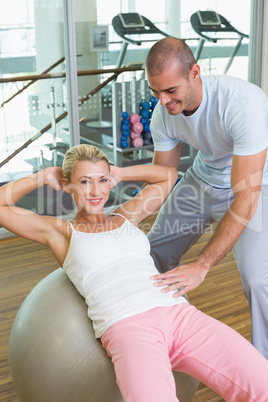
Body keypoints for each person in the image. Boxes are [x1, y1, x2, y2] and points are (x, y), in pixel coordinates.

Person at [1, 144, 268, 402]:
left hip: (178, 313)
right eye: (84, 182)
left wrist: (120, 173)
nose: (96, 191)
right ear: (67, 184)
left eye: (102, 180)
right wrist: (41, 177)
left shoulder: (125, 216)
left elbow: (167, 177)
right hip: (128, 328)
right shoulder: (61, 232)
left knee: (261, 383)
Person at [145, 37, 268, 359]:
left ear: (195, 73)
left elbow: (245, 196)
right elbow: (163, 180)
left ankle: (263, 370)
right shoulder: (163, 113)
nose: (163, 101)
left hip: (254, 189)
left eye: (171, 90)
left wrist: (201, 266)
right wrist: (120, 215)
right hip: (200, 181)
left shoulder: (243, 102)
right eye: (155, 91)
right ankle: (167, 335)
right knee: (151, 256)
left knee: (258, 281)